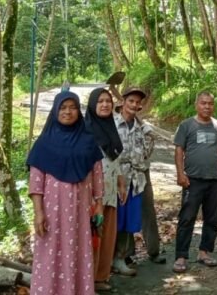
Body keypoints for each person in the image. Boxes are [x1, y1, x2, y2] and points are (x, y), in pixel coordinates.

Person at [27, 90, 104, 295]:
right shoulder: (44, 144)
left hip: (80, 213)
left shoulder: (88, 142)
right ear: (55, 111)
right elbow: (36, 183)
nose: (67, 112)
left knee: (79, 252)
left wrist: (99, 205)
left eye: (72, 107)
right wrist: (38, 213)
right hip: (52, 213)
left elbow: (97, 175)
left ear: (79, 111)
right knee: (49, 252)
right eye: (62, 108)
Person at [172, 91, 217, 273]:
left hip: (214, 180)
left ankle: (204, 252)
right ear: (196, 105)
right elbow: (179, 150)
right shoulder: (186, 125)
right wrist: (180, 174)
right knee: (187, 217)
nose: (207, 106)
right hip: (192, 179)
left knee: (212, 218)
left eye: (210, 103)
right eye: (203, 103)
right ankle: (181, 256)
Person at [85, 87, 134, 289]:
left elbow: (115, 158)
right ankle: (87, 280)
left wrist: (121, 182)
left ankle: (100, 277)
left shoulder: (111, 127)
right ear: (92, 105)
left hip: (111, 189)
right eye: (100, 101)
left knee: (108, 235)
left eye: (108, 101)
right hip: (93, 193)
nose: (105, 104)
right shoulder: (85, 131)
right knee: (93, 235)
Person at [113, 86, 163, 274]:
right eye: (131, 101)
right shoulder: (113, 124)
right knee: (122, 215)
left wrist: (148, 135)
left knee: (147, 211)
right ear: (123, 102)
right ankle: (124, 255)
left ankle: (154, 251)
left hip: (140, 174)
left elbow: (146, 153)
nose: (134, 105)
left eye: (137, 102)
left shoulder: (141, 127)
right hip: (120, 174)